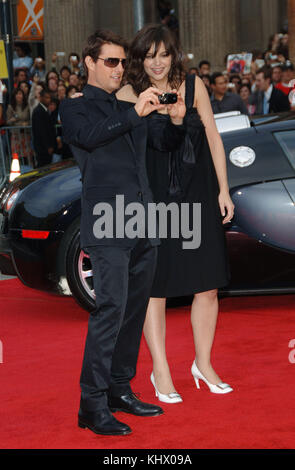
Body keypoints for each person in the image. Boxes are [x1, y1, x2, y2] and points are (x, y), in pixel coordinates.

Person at [59, 29, 186, 436]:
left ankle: (118, 388)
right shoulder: (75, 108)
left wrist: (178, 119)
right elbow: (90, 138)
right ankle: (91, 404)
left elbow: (163, 144)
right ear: (89, 63)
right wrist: (135, 112)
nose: (118, 69)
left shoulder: (129, 107)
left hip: (143, 221)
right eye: (110, 62)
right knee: (110, 309)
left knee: (133, 310)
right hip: (107, 221)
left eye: (121, 62)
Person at [117, 24, 234, 403]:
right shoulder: (128, 93)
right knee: (156, 286)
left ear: (173, 55)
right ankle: (160, 370)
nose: (156, 62)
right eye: (149, 55)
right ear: (140, 58)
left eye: (163, 54)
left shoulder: (194, 85)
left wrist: (224, 190)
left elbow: (214, 137)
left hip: (198, 192)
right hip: (153, 197)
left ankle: (203, 362)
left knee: (208, 282)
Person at [31, 88, 57, 167]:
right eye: (46, 97)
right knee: (43, 167)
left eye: (49, 98)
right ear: (41, 98)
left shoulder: (44, 110)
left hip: (45, 147)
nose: (48, 100)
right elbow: (41, 131)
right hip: (42, 148)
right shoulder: (38, 111)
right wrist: (48, 146)